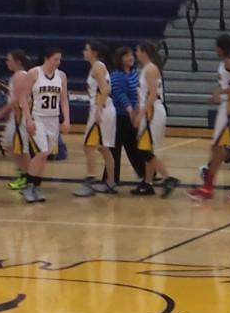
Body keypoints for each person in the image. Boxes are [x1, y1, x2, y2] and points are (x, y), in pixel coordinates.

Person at [188, 35, 230, 201]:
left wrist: (220, 93)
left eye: (217, 46)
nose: (215, 49)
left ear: (222, 47)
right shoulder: (229, 61)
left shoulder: (229, 62)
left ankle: (208, 187)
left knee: (220, 146)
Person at [20, 47, 69, 203]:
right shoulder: (34, 73)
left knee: (46, 155)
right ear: (47, 58)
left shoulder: (61, 76)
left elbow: (64, 100)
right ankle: (28, 186)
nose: (58, 62)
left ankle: (36, 187)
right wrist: (28, 119)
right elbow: (23, 97)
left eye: (59, 59)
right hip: (37, 118)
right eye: (56, 59)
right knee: (41, 152)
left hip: (53, 120)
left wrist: (66, 119)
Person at [132, 41, 179, 197]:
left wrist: (140, 114)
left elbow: (152, 95)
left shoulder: (150, 69)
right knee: (147, 148)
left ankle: (167, 178)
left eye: (137, 50)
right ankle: (148, 183)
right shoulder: (148, 68)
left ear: (144, 52)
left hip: (152, 111)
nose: (135, 54)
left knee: (143, 149)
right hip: (150, 110)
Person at [74, 41, 117, 197]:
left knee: (88, 146)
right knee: (103, 148)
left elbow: (105, 89)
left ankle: (90, 181)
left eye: (86, 49)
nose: (84, 52)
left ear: (94, 52)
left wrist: (98, 109)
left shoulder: (97, 66)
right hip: (106, 108)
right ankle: (111, 182)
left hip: (101, 109)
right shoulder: (99, 66)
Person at [0, 49, 31, 190]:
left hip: (20, 117)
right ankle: (23, 174)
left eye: (9, 60)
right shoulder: (17, 76)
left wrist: (0, 113)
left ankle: (29, 177)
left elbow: (16, 100)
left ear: (18, 62)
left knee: (20, 148)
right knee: (10, 145)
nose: (6, 62)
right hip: (15, 118)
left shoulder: (20, 76)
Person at [109, 46, 145, 183]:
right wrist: (130, 110)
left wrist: (138, 110)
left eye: (131, 55)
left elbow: (138, 92)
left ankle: (145, 174)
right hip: (120, 117)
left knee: (134, 147)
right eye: (126, 55)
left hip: (133, 115)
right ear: (120, 59)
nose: (131, 57)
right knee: (115, 149)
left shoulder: (133, 73)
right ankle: (111, 179)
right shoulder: (116, 75)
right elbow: (120, 95)